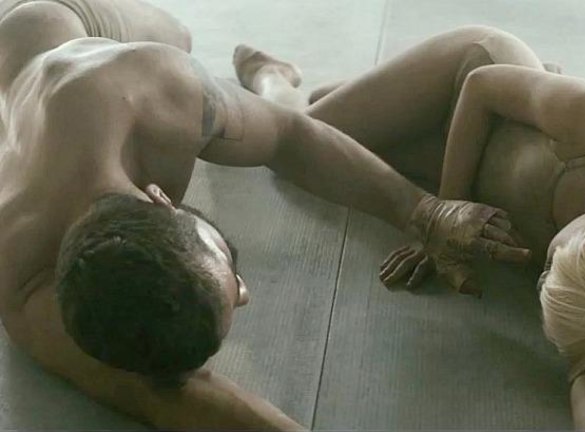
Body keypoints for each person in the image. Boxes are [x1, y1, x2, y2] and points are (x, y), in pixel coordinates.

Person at [0, 0, 530, 430]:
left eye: (231, 278)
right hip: (23, 109)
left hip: (49, 24)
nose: (245, 291)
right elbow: (163, 395)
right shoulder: (22, 286)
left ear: (159, 198)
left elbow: (287, 135)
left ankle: (271, 77)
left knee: (180, 36)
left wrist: (426, 213)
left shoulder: (158, 87)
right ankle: (270, 76)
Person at [236, 26, 585, 430]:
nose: (544, 271)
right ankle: (271, 77)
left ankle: (370, 101)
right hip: (468, 88)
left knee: (353, 142)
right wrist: (437, 216)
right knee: (298, 142)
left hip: (479, 168)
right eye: (554, 265)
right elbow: (481, 87)